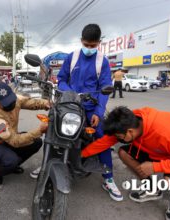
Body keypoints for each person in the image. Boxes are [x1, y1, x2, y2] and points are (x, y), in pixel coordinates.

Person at [81, 106, 170, 220]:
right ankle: (153, 189)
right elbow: (105, 142)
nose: (118, 140)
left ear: (130, 132)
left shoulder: (165, 131)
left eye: (120, 138)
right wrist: (81, 155)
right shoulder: (130, 121)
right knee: (123, 153)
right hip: (163, 151)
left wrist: (156, 167)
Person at [55, 23, 123, 201]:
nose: (89, 48)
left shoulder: (103, 61)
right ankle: (48, 164)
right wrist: (69, 92)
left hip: (92, 108)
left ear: (99, 43)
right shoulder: (73, 57)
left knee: (103, 138)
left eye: (93, 46)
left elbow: (104, 88)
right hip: (70, 105)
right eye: (86, 44)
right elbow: (61, 80)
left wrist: (98, 112)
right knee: (53, 128)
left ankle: (108, 178)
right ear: (81, 41)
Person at [0, 82, 50, 185]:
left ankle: (12, 165)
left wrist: (47, 103)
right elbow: (15, 141)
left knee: (36, 142)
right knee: (11, 161)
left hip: (11, 137)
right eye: (5, 102)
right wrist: (39, 131)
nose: (11, 104)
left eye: (11, 99)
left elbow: (30, 102)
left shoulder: (14, 99)